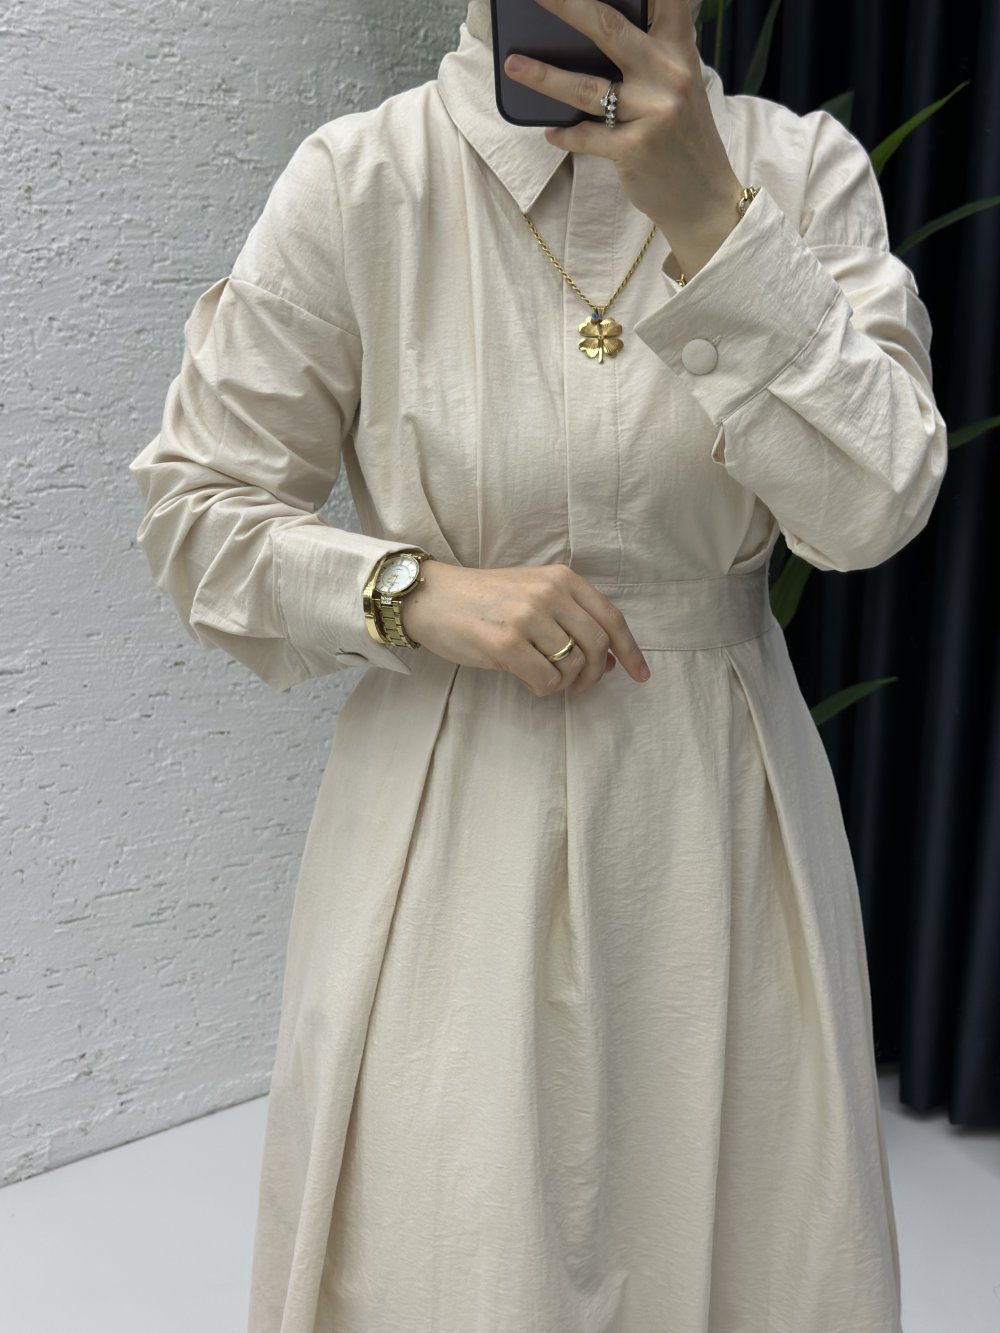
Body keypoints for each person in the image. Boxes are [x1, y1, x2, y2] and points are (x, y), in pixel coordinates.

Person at [128, 0, 948, 1328]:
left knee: (740, 1239)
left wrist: (715, 223)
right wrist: (410, 591)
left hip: (719, 821)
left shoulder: (797, 171)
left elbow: (873, 506)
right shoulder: (365, 180)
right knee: (452, 1250)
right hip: (452, 825)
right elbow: (197, 514)